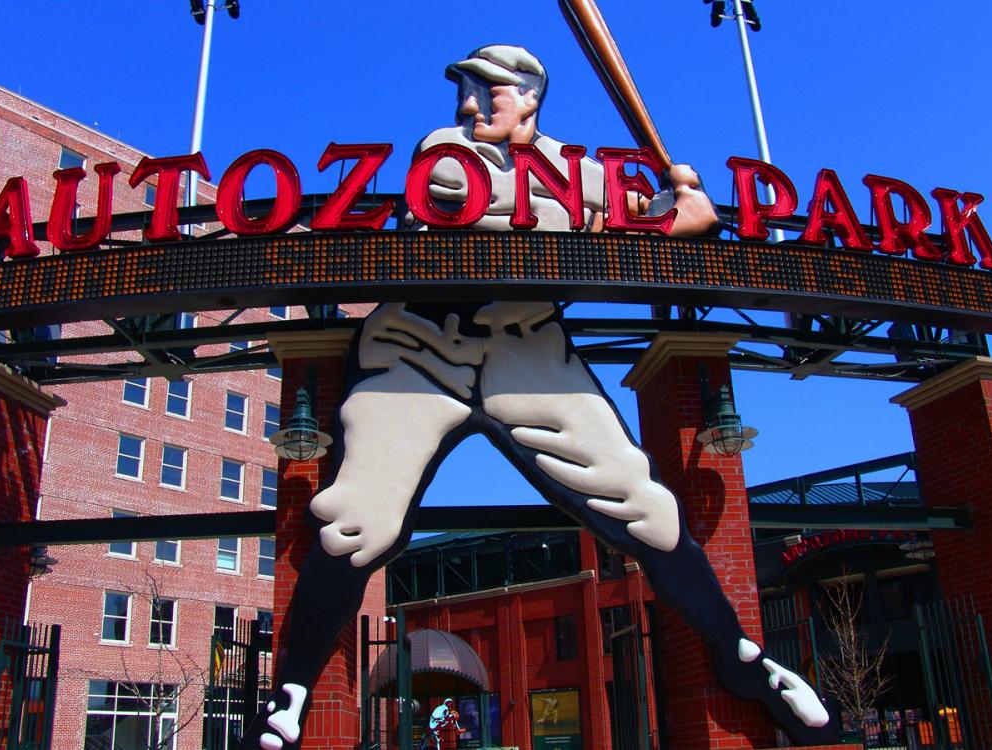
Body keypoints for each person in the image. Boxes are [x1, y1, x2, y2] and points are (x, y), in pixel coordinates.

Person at [244, 46, 836, 750]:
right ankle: (294, 690)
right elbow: (496, 211)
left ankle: (744, 660)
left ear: (529, 98)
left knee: (646, 506)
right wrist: (650, 223)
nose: (467, 105)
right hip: (419, 343)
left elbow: (650, 227)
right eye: (464, 90)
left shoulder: (589, 175)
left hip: (526, 344)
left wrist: (689, 212)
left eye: (485, 92)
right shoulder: (446, 151)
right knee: (356, 518)